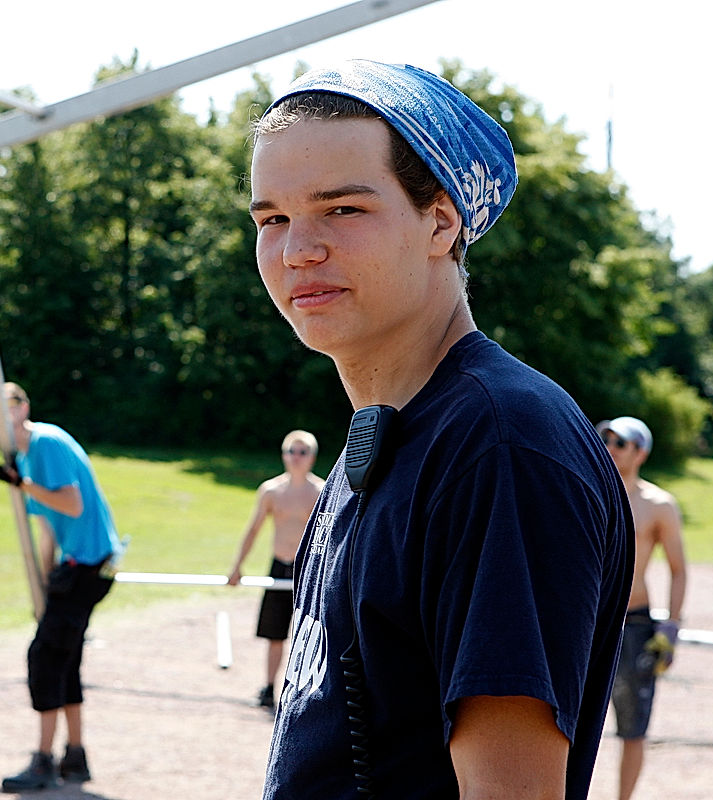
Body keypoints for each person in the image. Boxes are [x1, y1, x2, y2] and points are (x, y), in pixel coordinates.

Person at [248, 59, 633, 799]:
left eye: (343, 209)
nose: (298, 249)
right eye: (273, 218)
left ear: (441, 220)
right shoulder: (385, 437)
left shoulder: (500, 444)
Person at [0, 382, 120, 793]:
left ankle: (43, 762)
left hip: (89, 565)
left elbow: (72, 504)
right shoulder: (27, 457)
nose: (0, 415)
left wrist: (21, 484)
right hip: (74, 567)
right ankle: (74, 758)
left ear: (24, 408)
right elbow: (48, 530)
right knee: (65, 657)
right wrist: (43, 589)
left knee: (45, 657)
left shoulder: (45, 442)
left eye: (7, 406)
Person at [596, 417, 687, 800]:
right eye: (608, 439)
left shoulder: (658, 505)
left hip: (634, 624)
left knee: (633, 726)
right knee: (562, 718)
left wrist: (670, 631)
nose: (612, 447)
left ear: (642, 452)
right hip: (590, 620)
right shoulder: (589, 490)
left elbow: (678, 571)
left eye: (622, 442)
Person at [226, 430, 325, 710]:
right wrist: (237, 567)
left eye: (302, 452)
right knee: (274, 633)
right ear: (283, 455)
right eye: (291, 451)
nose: (296, 457)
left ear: (312, 457)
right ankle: (269, 687)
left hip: (308, 570)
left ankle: (307, 693)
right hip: (278, 567)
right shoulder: (271, 490)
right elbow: (253, 529)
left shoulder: (321, 491)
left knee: (309, 634)